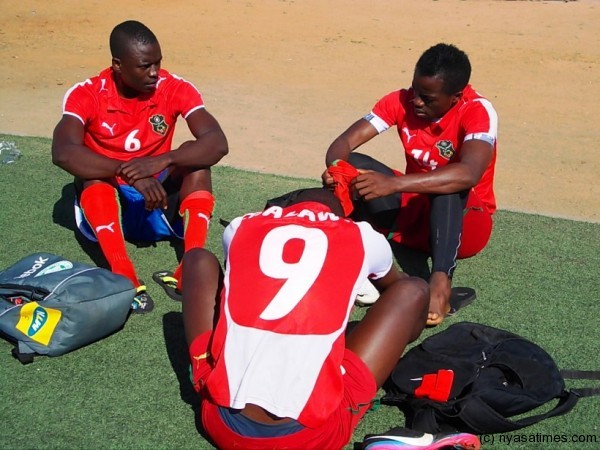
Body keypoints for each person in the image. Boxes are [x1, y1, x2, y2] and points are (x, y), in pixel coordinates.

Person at [181, 188, 480, 449]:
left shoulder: (241, 225)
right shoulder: (362, 235)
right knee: (413, 290)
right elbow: (397, 287)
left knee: (197, 259)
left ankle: (202, 366)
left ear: (285, 207)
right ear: (342, 217)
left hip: (219, 420)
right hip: (308, 437)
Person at [51, 20, 228, 314]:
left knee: (196, 160)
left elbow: (217, 142)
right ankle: (124, 275)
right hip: (111, 200)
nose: (154, 73)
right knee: (91, 178)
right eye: (145, 66)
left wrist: (163, 160)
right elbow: (63, 152)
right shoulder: (88, 93)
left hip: (156, 194)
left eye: (158, 63)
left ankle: (189, 268)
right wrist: (127, 172)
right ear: (118, 65)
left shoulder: (174, 87)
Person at [322, 43, 497, 326]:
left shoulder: (478, 110)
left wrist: (394, 184)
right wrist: (336, 169)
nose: (416, 101)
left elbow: (469, 174)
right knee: (353, 163)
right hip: (413, 210)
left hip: (467, 224)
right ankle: (340, 243)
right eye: (415, 90)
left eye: (427, 98)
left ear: (456, 97)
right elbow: (344, 144)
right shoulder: (400, 100)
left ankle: (440, 282)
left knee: (451, 181)